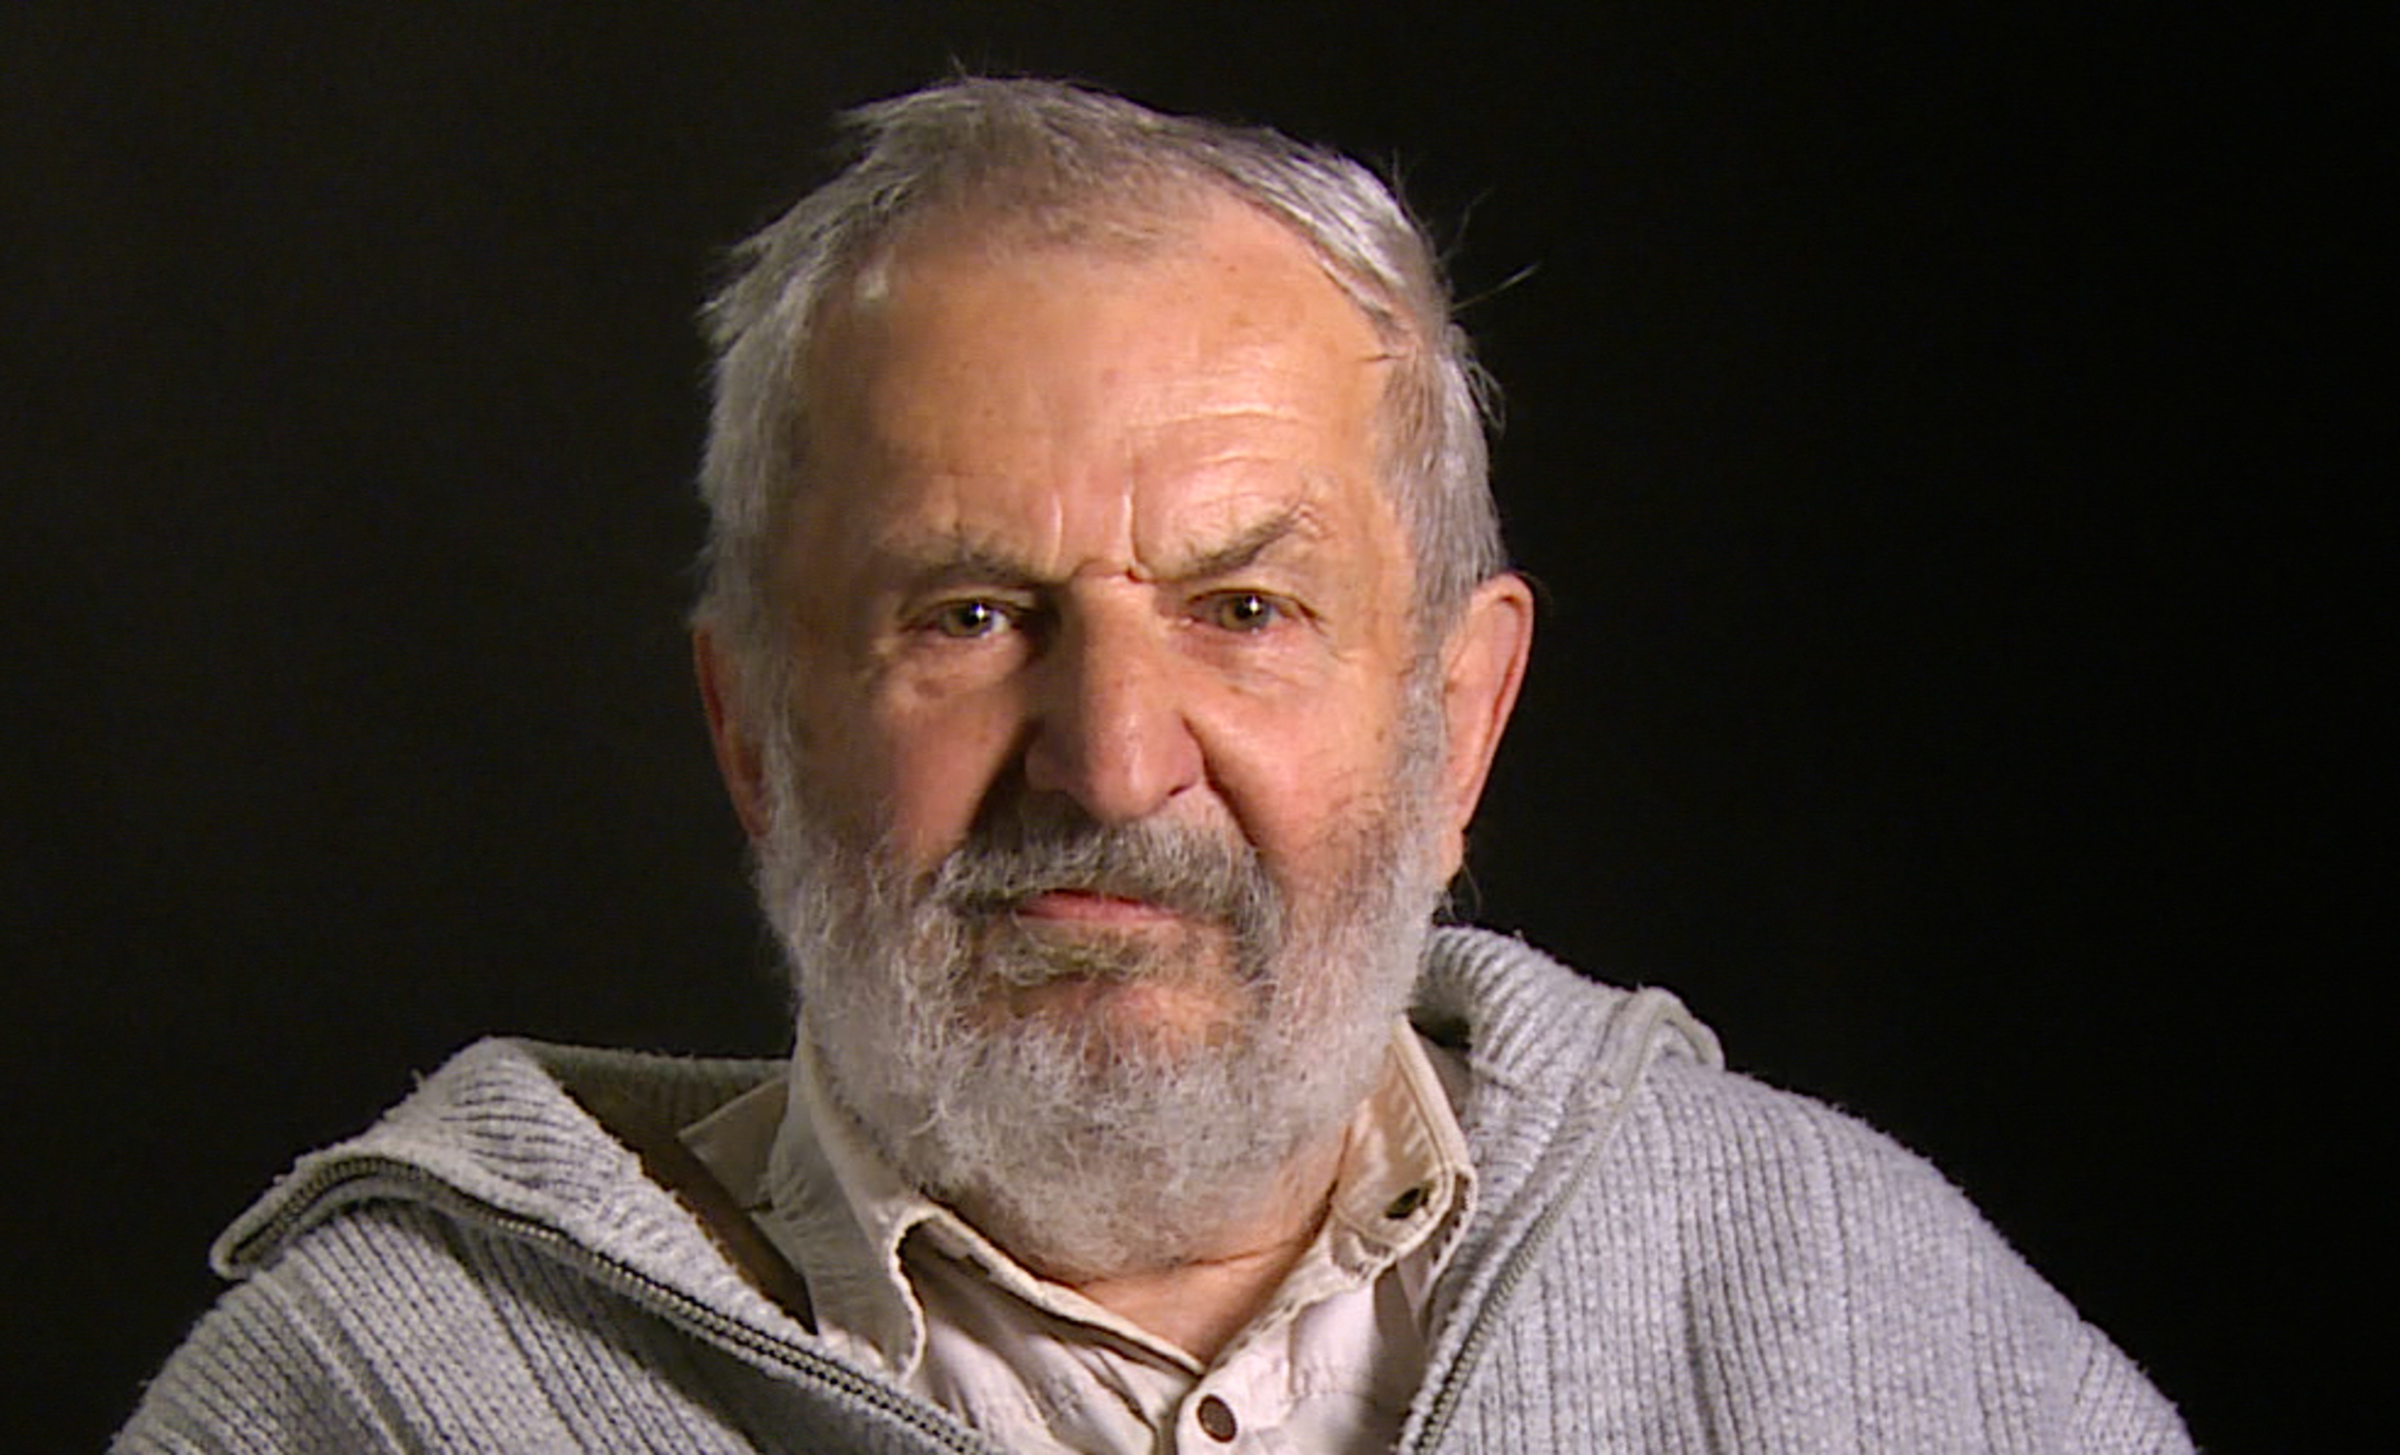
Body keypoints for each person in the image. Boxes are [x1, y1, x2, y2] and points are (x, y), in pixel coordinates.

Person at [116, 77, 2190, 1453]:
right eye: (968, 614)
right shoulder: (363, 1405)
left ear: (1459, 719)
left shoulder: (1860, 1314)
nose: (1112, 764)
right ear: (754, 730)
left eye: (1244, 608)